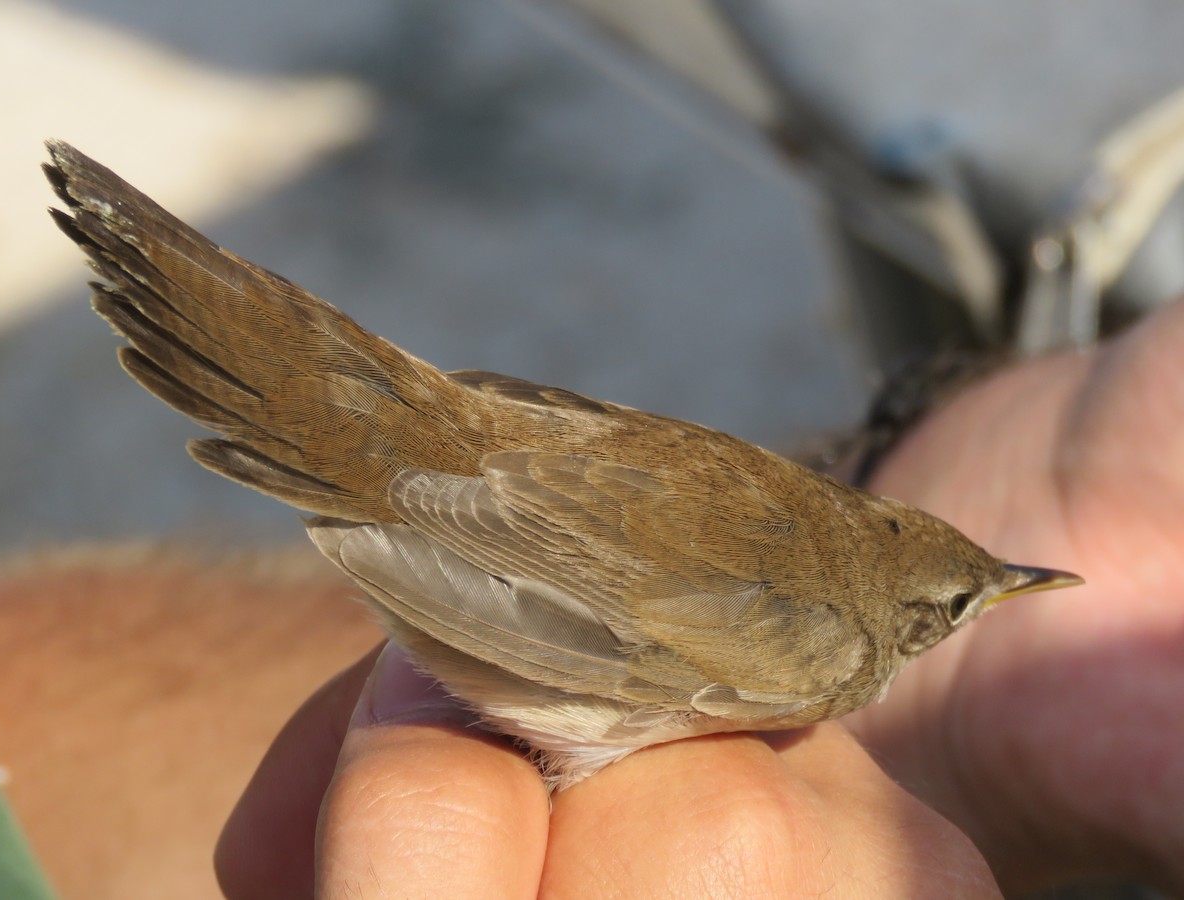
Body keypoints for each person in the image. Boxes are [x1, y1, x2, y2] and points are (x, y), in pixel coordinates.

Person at [215, 297, 1184, 898]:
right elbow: (595, 641)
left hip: (498, 449)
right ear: (914, 624)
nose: (988, 603)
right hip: (499, 518)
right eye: (966, 602)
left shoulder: (805, 505)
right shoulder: (837, 662)